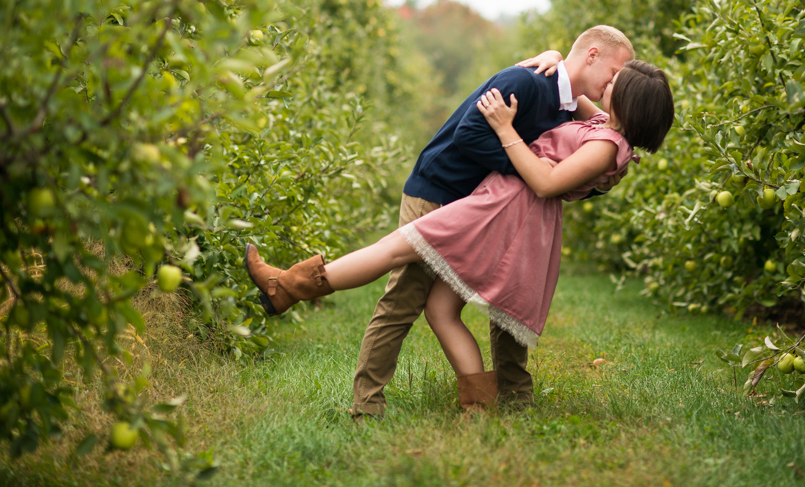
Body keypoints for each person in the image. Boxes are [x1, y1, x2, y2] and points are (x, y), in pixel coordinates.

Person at [244, 58, 674, 411]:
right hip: (505, 206)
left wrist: (506, 129)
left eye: (618, 80)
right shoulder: (604, 129)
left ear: (631, 100)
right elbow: (573, 88)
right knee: (439, 308)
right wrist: (554, 57)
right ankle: (479, 406)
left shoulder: (605, 147)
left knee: (396, 248)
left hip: (502, 209)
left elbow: (547, 183)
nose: (609, 81)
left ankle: (289, 286)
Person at [349, 24, 634, 417]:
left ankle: (510, 398)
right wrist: (529, 171)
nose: (618, 81)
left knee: (506, 295)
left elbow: (600, 146)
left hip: (485, 205)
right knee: (405, 299)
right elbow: (470, 136)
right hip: (440, 190)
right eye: (617, 71)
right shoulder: (530, 81)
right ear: (592, 55)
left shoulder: (570, 102)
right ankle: (366, 404)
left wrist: (597, 180)